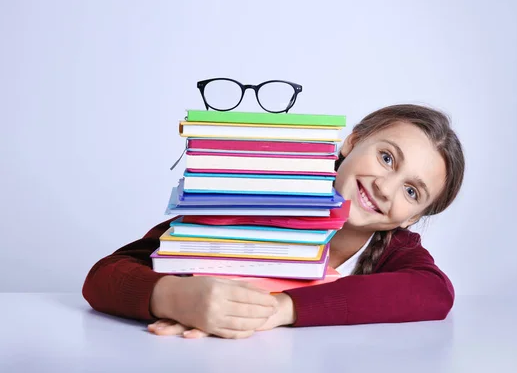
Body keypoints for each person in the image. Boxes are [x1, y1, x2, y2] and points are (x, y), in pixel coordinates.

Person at [82, 103, 465, 339]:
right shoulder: (258, 196)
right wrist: (173, 297)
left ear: (414, 217)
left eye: (412, 192)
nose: (385, 187)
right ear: (351, 142)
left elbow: (435, 293)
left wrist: (281, 308)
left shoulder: (395, 252)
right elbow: (105, 275)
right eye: (386, 158)